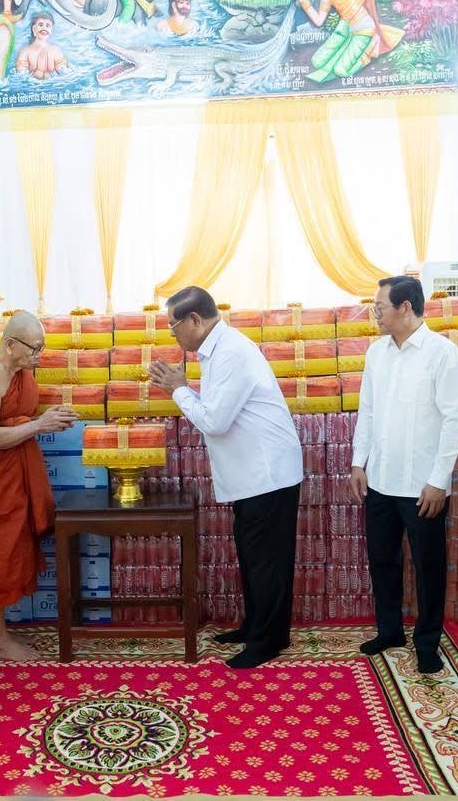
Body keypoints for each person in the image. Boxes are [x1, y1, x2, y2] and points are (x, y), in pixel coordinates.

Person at [148, 287, 304, 670]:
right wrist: (184, 389)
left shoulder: (231, 352)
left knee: (266, 561)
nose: (172, 334)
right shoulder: (217, 351)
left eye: (173, 326)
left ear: (195, 320)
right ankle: (256, 627)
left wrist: (179, 390)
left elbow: (215, 421)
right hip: (254, 473)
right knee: (253, 557)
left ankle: (268, 641)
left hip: (267, 473)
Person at [348, 276, 458, 674]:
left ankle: (428, 642)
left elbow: (453, 420)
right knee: (382, 559)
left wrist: (439, 480)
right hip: (380, 478)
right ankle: (389, 630)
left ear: (405, 307)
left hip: (422, 485)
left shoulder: (442, 354)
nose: (375, 314)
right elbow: (367, 410)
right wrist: (359, 462)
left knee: (428, 566)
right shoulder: (376, 353)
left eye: (380, 307)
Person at [0, 312, 78, 660]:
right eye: (34, 348)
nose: (39, 356)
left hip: (14, 470)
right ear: (9, 344)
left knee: (13, 547)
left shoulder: (19, 371)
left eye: (42, 348)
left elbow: (13, 419)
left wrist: (48, 419)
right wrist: (39, 425)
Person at [294, 0, 404, 83]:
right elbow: (318, 21)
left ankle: (369, 51)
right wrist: (303, 0)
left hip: (364, 30)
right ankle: (348, 46)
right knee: (316, 61)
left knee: (340, 70)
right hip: (346, 30)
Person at [16, 12, 68, 79]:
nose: (44, 28)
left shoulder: (55, 50)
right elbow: (21, 75)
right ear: (34, 29)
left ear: (51, 30)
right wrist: (34, 76)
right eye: (41, 25)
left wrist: (51, 75)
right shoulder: (25, 52)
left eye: (48, 26)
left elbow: (64, 73)